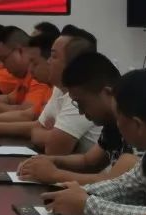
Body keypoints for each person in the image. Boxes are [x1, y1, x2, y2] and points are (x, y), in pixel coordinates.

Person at [38, 69, 146, 215]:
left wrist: (88, 205)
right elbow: (123, 186)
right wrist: (77, 193)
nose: (117, 126)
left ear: (137, 125)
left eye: (118, 119)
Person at [0, 26, 99, 155]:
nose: (49, 61)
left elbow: (53, 149)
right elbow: (36, 127)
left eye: (54, 56)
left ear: (73, 64)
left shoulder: (81, 96)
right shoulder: (59, 89)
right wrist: (48, 134)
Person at [16, 52, 137, 186]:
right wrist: (50, 161)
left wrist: (54, 175)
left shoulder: (135, 124)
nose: (80, 111)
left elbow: (115, 183)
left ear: (107, 93)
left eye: (82, 103)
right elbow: (88, 162)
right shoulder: (111, 123)